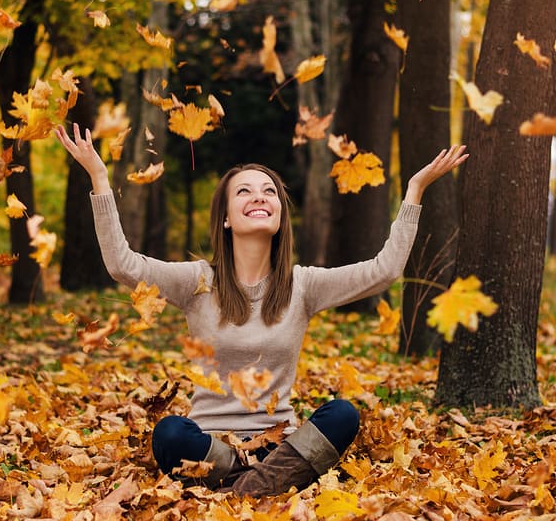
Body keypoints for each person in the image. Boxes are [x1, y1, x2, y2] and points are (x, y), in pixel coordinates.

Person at [55, 123, 468, 497]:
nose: (259, 197)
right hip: (211, 446)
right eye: (245, 191)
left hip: (281, 443)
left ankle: (243, 487)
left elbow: (385, 270)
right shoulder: (198, 281)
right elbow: (122, 264)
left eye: (269, 191)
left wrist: (414, 191)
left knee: (342, 415)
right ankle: (258, 481)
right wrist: (99, 177)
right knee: (169, 434)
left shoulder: (302, 284)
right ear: (227, 219)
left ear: (280, 215)